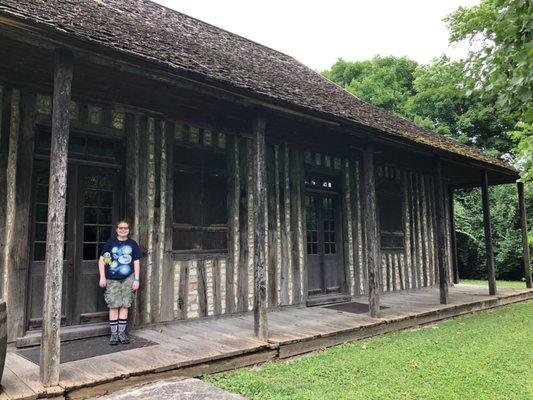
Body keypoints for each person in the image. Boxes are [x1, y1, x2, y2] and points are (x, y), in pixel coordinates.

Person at [98, 220, 141, 345]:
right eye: (121, 228)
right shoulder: (110, 243)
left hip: (128, 278)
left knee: (125, 305)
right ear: (117, 229)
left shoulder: (133, 244)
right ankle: (114, 334)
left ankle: (122, 333)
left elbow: (136, 262)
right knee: (113, 305)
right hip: (112, 278)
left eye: (126, 228)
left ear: (128, 230)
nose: (123, 230)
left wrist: (137, 279)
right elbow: (102, 260)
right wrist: (102, 277)